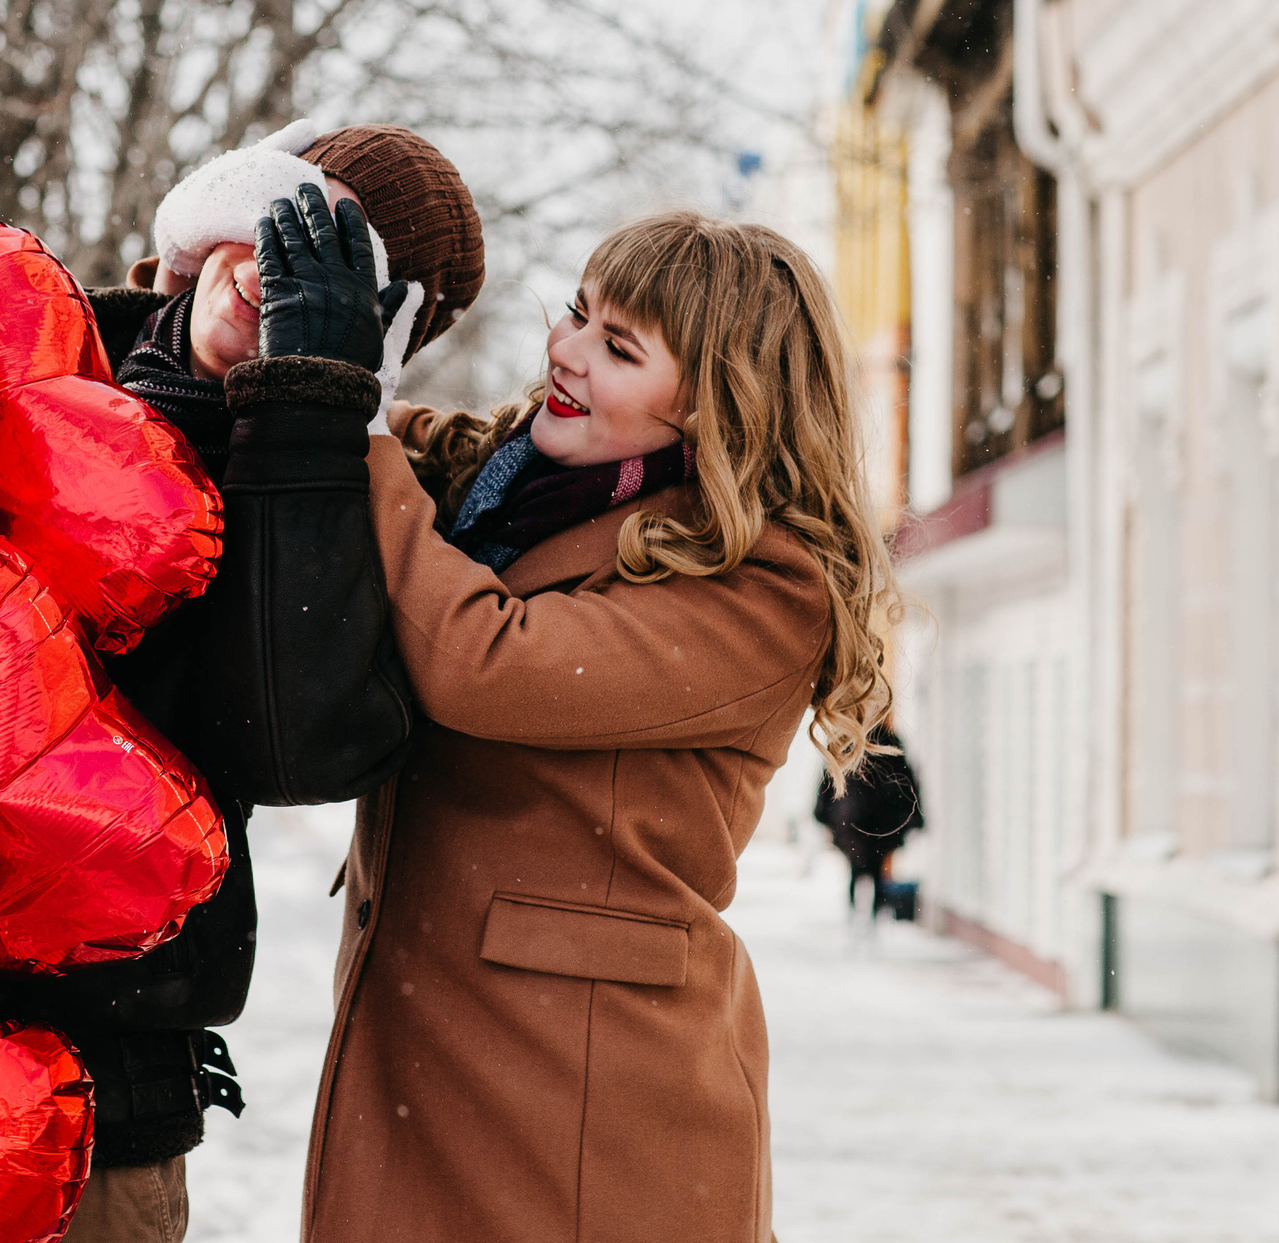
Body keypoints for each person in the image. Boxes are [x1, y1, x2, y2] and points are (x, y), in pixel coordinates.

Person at [283, 205, 898, 1243]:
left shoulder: (766, 585)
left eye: (617, 347)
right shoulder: (518, 484)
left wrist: (353, 421)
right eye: (576, 313)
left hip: (588, 1098)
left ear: (718, 405)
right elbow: (402, 440)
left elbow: (484, 662)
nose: (564, 352)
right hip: (446, 1047)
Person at [0, 121, 484, 1243]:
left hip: (91, 1111)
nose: (283, 273)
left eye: (340, 269)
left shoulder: (343, 486)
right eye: (284, 223)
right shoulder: (26, 347)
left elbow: (288, 743)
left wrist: (303, 422)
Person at [814, 722, 925, 920]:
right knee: (870, 868)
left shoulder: (848, 741)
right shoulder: (885, 741)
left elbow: (827, 781)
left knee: (862, 868)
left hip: (856, 818)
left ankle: (862, 917)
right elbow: (906, 781)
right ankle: (869, 917)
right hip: (872, 819)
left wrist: (823, 813)